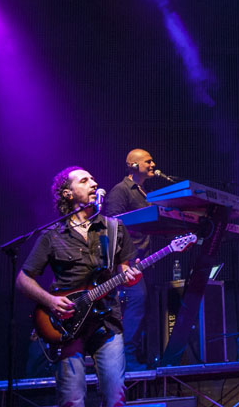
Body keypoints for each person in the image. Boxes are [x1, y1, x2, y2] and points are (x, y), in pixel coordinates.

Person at [16, 166, 141, 407]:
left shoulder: (114, 228)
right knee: (71, 399)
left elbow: (125, 270)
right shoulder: (52, 235)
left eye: (93, 179)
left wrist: (131, 276)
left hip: (107, 322)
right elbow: (23, 279)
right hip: (67, 324)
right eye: (84, 181)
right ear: (68, 193)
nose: (93, 183)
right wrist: (50, 301)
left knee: (116, 397)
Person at [103, 149, 159, 370]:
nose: (153, 164)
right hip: (126, 263)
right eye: (148, 161)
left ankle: (139, 355)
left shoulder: (144, 193)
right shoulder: (121, 190)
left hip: (143, 261)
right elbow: (111, 227)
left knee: (145, 305)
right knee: (137, 301)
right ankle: (126, 358)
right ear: (134, 166)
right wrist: (121, 263)